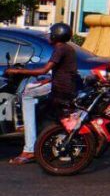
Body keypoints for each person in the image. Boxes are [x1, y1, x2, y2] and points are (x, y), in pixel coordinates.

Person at [7, 23, 78, 165]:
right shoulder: (68, 48)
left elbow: (43, 70)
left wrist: (17, 71)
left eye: (51, 33)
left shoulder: (60, 48)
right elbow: (63, 70)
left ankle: (29, 149)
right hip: (65, 85)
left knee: (27, 95)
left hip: (60, 88)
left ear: (56, 35)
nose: (49, 36)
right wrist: (46, 81)